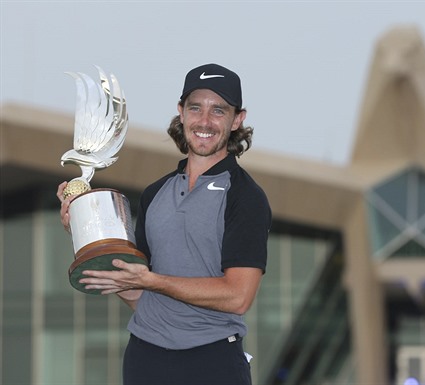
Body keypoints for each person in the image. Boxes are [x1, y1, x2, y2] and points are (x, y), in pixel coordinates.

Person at [57, 63, 271, 385]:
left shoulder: (245, 196)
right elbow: (140, 291)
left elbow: (238, 296)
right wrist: (88, 225)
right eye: (195, 108)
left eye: (218, 110)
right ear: (181, 112)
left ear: (237, 119)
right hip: (146, 357)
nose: (204, 121)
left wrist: (152, 280)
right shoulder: (155, 194)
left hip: (212, 361)